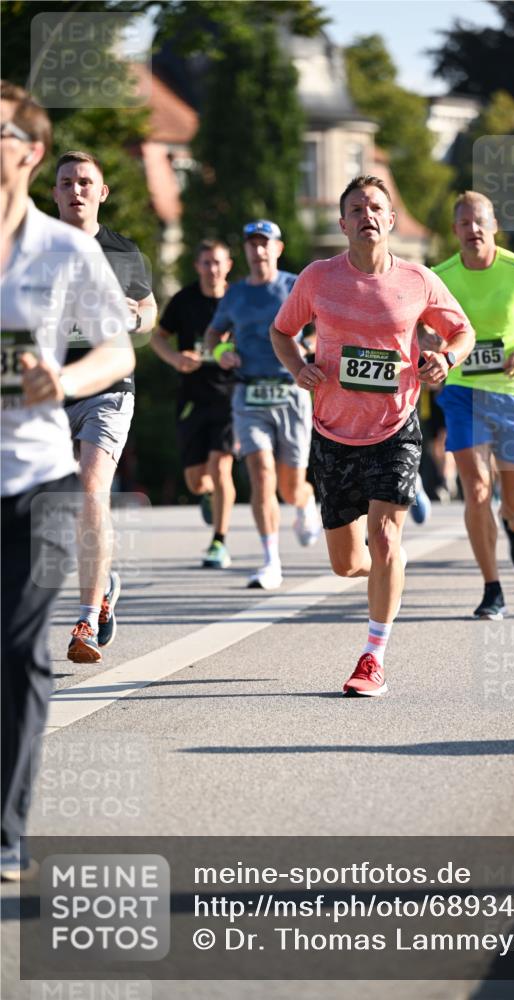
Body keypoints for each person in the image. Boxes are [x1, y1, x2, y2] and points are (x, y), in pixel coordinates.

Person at [1, 82, 135, 879]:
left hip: (41, 477)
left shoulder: (65, 250)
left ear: (31, 151)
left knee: (20, 651)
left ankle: (6, 830)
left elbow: (117, 352)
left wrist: (64, 377)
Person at [270, 175, 475, 696]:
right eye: (356, 208)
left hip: (395, 426)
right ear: (342, 223)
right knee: (348, 564)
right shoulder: (317, 278)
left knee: (385, 539)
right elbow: (281, 331)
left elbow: (462, 331)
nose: (366, 215)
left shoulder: (418, 280)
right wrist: (297, 366)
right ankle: (387, 568)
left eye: (376, 207)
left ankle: (372, 657)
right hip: (333, 430)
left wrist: (445, 359)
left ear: (390, 220)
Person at [432, 191, 514, 620]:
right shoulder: (440, 276)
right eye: (464, 223)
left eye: (480, 222)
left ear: (493, 227)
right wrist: (429, 347)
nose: (473, 229)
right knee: (475, 489)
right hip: (461, 391)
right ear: (455, 230)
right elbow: (414, 326)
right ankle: (492, 587)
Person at [52, 150, 157, 661]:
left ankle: (87, 620)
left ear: (102, 192)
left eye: (85, 182)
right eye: (66, 182)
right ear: (53, 193)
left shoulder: (124, 252)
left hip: (110, 386)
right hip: (48, 389)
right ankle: (107, 583)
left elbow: (148, 307)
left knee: (93, 488)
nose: (76, 190)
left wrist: (137, 321)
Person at [205, 219, 321, 590]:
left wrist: (312, 345)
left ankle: (305, 504)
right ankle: (271, 562)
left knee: (290, 487)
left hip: (290, 390)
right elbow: (213, 333)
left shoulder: (294, 285)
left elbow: (324, 324)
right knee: (261, 475)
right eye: (252, 244)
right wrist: (222, 351)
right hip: (248, 393)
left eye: (265, 244)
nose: (258, 251)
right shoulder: (235, 294)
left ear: (278, 249)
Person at [151, 240, 236, 568]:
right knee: (197, 481)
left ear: (228, 265)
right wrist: (176, 359)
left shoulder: (239, 299)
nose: (212, 269)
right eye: (206, 263)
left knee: (221, 467)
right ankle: (208, 497)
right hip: (192, 398)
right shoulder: (184, 300)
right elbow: (158, 337)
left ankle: (219, 541)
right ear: (197, 266)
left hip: (229, 396)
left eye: (217, 262)